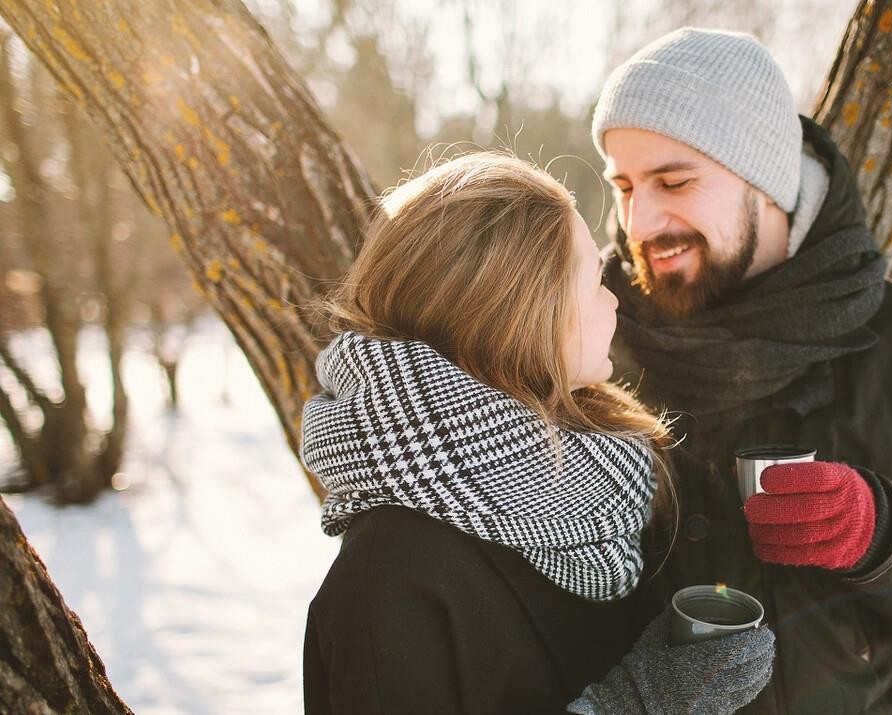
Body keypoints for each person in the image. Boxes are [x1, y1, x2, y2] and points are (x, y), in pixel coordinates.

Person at [591, 28, 892, 714]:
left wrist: (883, 533)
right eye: (624, 187)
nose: (640, 222)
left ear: (765, 181)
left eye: (673, 181)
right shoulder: (593, 341)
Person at [299, 152, 774, 714]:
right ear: (524, 313)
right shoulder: (389, 578)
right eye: (594, 282)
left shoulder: (599, 480)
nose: (613, 300)